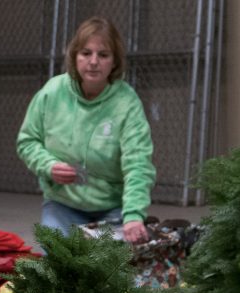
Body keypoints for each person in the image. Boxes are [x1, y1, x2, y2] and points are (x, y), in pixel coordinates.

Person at [16, 16, 156, 244]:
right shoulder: (52, 92)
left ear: (114, 62)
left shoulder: (127, 102)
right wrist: (48, 166)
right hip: (62, 204)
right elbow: (27, 141)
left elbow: (138, 163)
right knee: (57, 262)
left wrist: (133, 215)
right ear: (74, 56)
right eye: (85, 53)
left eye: (103, 55)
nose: (93, 61)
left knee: (112, 271)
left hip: (113, 208)